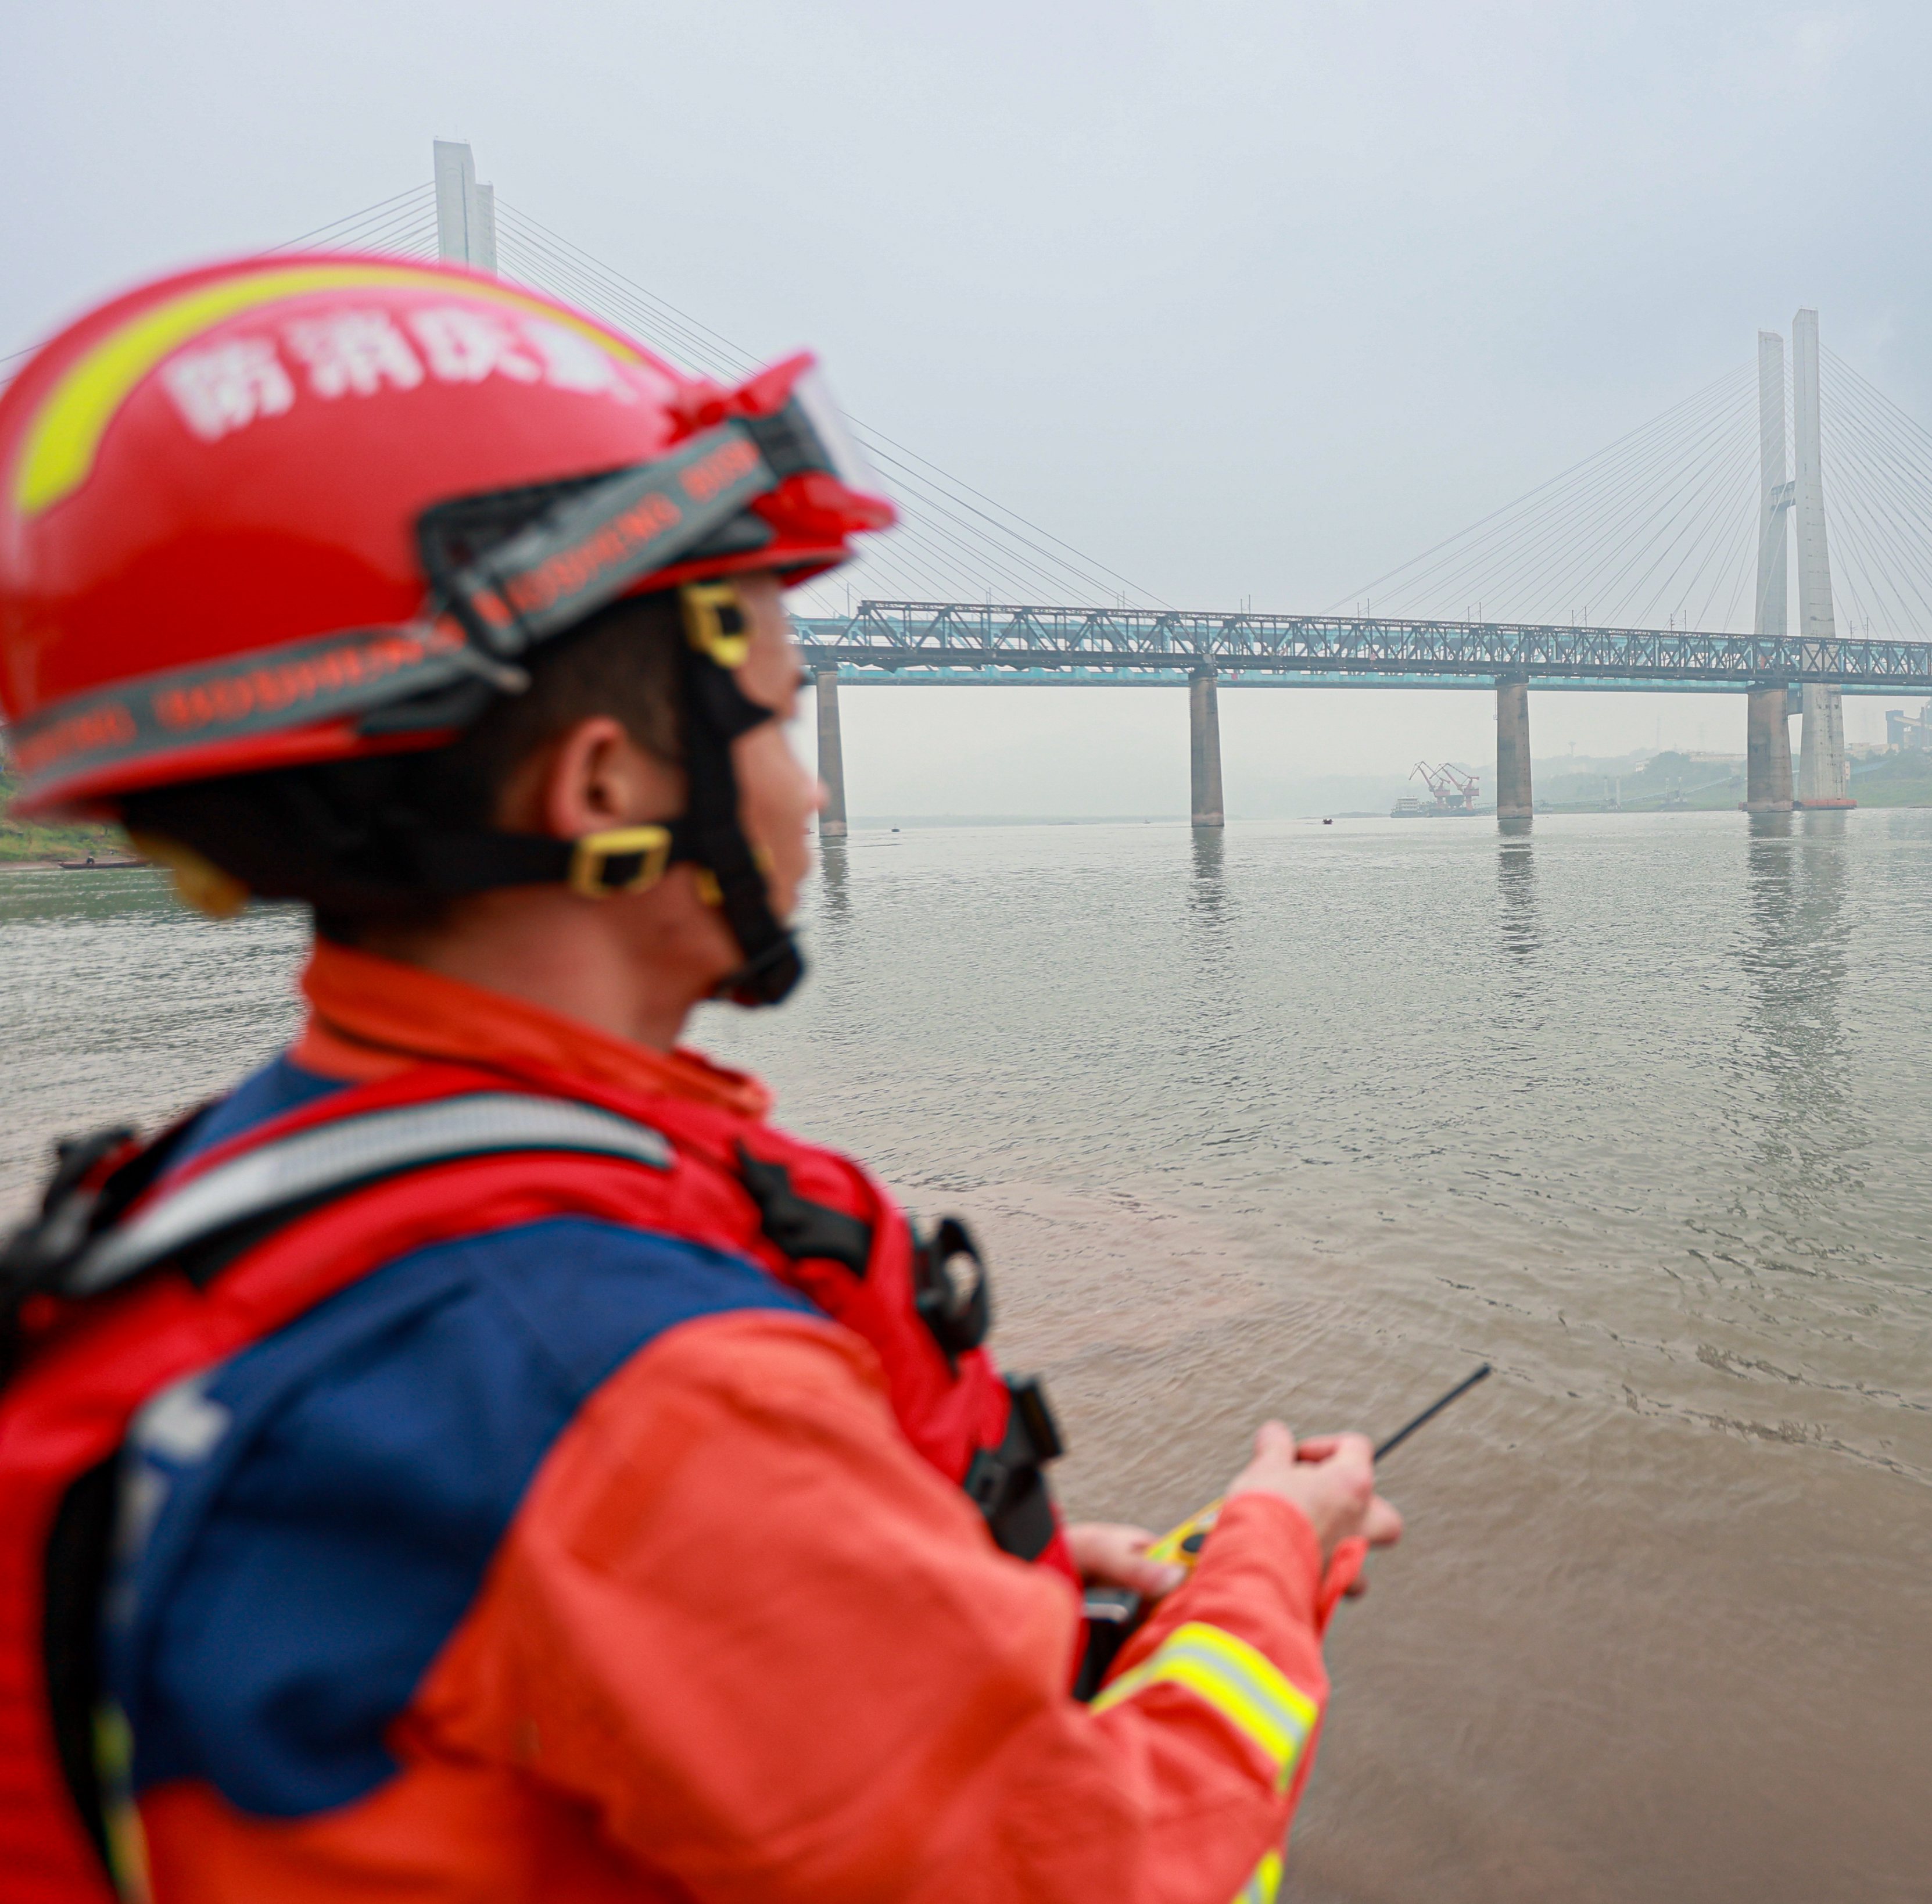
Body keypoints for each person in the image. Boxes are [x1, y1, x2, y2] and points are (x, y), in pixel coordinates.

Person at [0, 254, 1398, 1902]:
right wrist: (1265, 1563)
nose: (810, 799)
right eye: (781, 724)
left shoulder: (201, 1205)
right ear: (609, 791)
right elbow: (1095, 1865)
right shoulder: (622, 1376)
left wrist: (949, 1591)